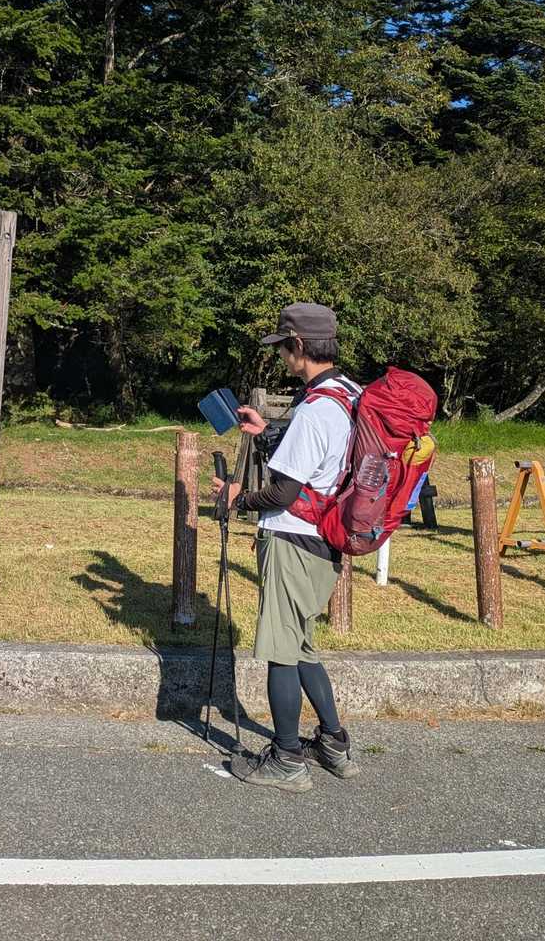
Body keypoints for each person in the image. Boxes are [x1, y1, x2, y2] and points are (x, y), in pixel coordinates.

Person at [211, 301, 363, 793]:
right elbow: (323, 463)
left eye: (282, 347)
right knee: (303, 646)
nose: (280, 355)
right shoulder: (349, 394)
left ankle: (287, 760)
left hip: (293, 539)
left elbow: (283, 493)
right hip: (326, 540)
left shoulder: (315, 409)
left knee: (281, 651)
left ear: (299, 345)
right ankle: (334, 744)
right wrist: (268, 432)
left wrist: (238, 498)